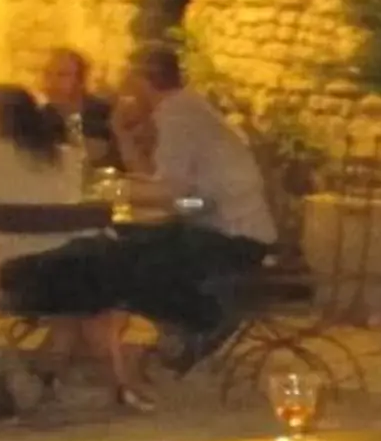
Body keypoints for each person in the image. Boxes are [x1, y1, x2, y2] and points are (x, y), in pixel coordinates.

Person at [0, 84, 148, 410]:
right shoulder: (68, 156)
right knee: (82, 290)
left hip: (27, 275)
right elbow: (76, 208)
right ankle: (97, 379)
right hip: (86, 267)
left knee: (67, 291)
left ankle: (45, 377)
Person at [106, 42, 276, 368]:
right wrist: (122, 136)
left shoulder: (178, 117)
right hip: (216, 219)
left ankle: (201, 322)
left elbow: (171, 193)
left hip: (232, 235)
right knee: (135, 246)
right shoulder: (185, 108)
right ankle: (184, 332)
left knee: (128, 260)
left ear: (141, 81)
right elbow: (171, 188)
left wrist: (111, 193)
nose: (123, 90)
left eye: (126, 81)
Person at [38, 46, 118, 165]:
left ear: (81, 80)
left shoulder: (106, 115)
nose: (52, 82)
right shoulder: (38, 120)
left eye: (62, 75)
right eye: (47, 74)